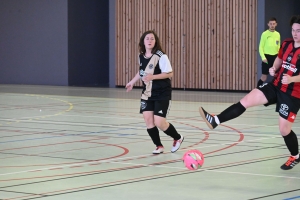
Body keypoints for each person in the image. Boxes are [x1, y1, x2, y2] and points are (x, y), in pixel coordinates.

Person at [199, 15, 300, 170]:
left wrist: (292, 80)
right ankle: (216, 120)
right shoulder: (286, 43)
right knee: (247, 99)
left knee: (284, 129)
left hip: (292, 94)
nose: (295, 34)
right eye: (293, 30)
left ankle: (295, 156)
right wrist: (274, 68)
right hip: (275, 85)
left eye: (298, 31)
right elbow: (279, 59)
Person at [125, 30, 184, 154]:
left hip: (162, 93)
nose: (150, 41)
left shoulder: (161, 56)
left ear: (155, 41)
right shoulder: (141, 56)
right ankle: (159, 146)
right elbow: (141, 71)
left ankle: (178, 138)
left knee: (159, 122)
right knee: (148, 120)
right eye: (147, 38)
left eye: (152, 38)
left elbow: (170, 73)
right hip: (147, 93)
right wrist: (132, 82)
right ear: (143, 41)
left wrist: (153, 77)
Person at [257, 17, 281, 88]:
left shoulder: (278, 34)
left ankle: (277, 93)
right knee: (264, 77)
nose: (272, 25)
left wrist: (279, 57)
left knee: (277, 76)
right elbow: (260, 47)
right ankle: (257, 90)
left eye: (273, 24)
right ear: (268, 24)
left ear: (276, 24)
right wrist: (263, 57)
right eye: (271, 24)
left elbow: (279, 46)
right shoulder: (264, 34)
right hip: (266, 58)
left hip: (275, 57)